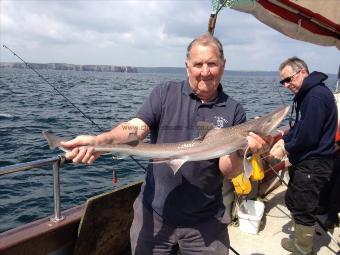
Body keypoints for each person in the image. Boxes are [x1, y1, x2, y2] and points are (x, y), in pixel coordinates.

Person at [61, 33, 269, 255]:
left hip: (205, 223)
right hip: (154, 215)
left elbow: (228, 171)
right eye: (198, 64)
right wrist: (99, 141)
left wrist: (244, 150)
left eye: (212, 64)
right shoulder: (165, 93)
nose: (205, 72)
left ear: (223, 65)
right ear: (187, 66)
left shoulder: (234, 110)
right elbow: (135, 128)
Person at [270, 57, 337, 255]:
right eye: (283, 82)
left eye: (289, 79)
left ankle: (302, 249)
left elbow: (309, 135)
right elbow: (302, 125)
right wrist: (286, 137)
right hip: (310, 160)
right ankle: (300, 241)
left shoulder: (314, 96)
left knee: (302, 207)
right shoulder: (312, 93)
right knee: (294, 199)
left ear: (303, 73)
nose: (286, 85)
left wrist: (285, 148)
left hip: (314, 162)